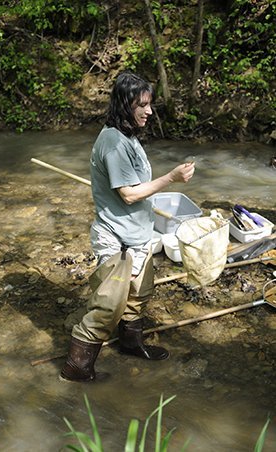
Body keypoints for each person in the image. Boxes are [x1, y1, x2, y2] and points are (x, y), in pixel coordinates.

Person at [60, 72, 195, 382]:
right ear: (124, 105)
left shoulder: (129, 136)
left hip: (138, 236)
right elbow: (130, 194)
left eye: (150, 104)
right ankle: (76, 368)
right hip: (116, 240)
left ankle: (130, 344)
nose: (149, 111)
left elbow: (136, 187)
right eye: (142, 105)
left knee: (138, 295)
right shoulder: (113, 142)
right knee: (107, 306)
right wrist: (171, 178)